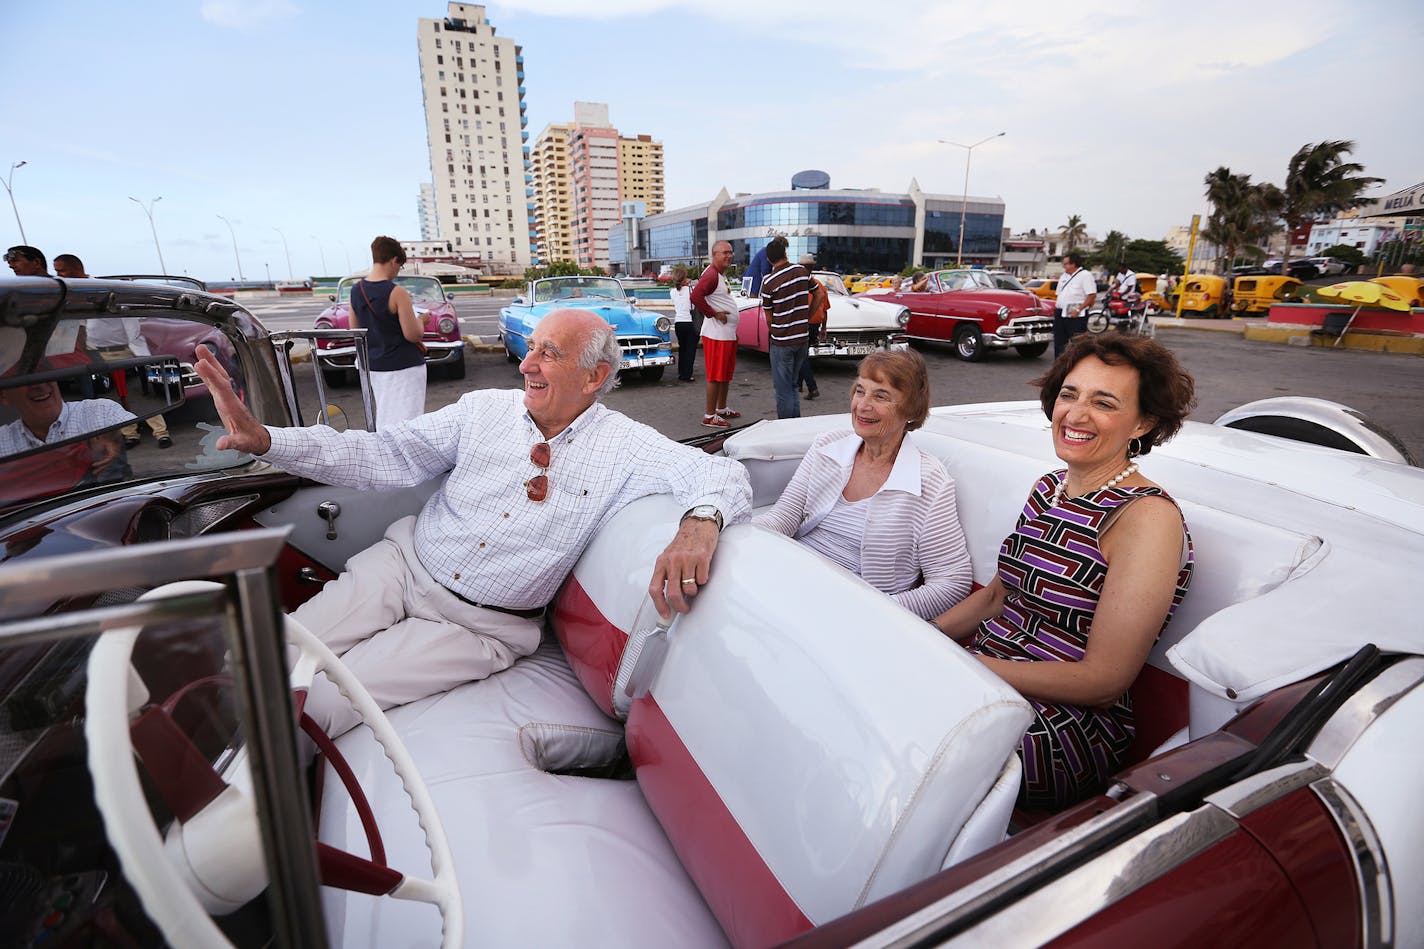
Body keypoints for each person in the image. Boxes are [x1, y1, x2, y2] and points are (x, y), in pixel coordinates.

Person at [192, 308, 752, 735]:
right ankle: (198, 742)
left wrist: (699, 525)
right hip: (401, 568)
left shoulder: (628, 446)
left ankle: (241, 813)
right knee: (261, 652)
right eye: (530, 348)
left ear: (594, 375)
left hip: (477, 627)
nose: (526, 365)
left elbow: (722, 477)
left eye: (548, 354)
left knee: (321, 701)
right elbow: (383, 454)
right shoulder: (482, 410)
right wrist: (268, 440)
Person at [931, 332, 1196, 810]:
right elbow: (996, 597)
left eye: (1104, 402)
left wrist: (966, 667)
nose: (1075, 414)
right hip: (985, 678)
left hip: (1062, 726)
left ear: (1143, 423)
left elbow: (1104, 681)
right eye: (1069, 394)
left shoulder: (1147, 518)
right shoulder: (1049, 486)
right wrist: (923, 638)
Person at [754, 349, 972, 619]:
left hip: (851, 614)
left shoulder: (928, 481)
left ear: (912, 410)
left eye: (881, 396)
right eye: (860, 390)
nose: (862, 405)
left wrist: (872, 613)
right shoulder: (827, 445)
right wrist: (732, 538)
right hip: (792, 581)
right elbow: (782, 518)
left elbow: (952, 582)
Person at [57, 254, 173, 449]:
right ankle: (130, 434)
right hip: (98, 355)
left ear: (76, 269)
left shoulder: (104, 291)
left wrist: (139, 357)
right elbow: (82, 326)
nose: (58, 274)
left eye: (61, 270)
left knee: (141, 396)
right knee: (116, 398)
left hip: (123, 353)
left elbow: (130, 324)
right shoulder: (75, 295)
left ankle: (161, 433)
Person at [0, 364, 136, 500]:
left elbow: (132, 424)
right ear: (3, 396)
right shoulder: (3, 441)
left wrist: (114, 435)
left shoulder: (99, 411)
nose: (40, 384)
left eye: (45, 374)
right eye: (24, 380)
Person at [350, 236, 426, 430]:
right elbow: (413, 335)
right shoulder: (396, 292)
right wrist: (422, 320)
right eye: (399, 266)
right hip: (404, 366)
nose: (397, 272)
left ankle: (385, 457)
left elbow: (355, 331)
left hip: (375, 366)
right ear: (393, 260)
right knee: (409, 422)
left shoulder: (356, 290)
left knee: (385, 416)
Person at [759, 236, 812, 419]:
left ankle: (785, 429)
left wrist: (775, 332)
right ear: (785, 253)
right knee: (793, 386)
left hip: (782, 342)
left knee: (783, 389)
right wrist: (808, 316)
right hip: (802, 339)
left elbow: (768, 316)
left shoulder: (768, 282)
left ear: (769, 259)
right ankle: (795, 425)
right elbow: (818, 293)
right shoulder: (801, 271)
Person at [691, 240, 740, 428]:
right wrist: (714, 314)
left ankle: (721, 408)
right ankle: (709, 415)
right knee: (715, 375)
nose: (729, 255)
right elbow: (695, 296)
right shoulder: (711, 274)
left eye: (731, 252)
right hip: (717, 335)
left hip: (726, 334)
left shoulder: (718, 274)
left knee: (725, 375)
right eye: (724, 252)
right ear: (714, 254)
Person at [1053, 252, 1097, 357]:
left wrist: (1078, 310)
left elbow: (1091, 295)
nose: (1064, 266)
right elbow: (1059, 294)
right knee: (1059, 343)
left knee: (1078, 344)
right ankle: (1059, 368)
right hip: (1060, 313)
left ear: (1073, 264)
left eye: (1065, 264)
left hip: (1075, 315)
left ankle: (1077, 367)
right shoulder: (1064, 276)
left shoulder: (1085, 275)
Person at [798, 254, 824, 401]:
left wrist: (807, 316)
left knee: (801, 357)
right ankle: (798, 385)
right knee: (803, 354)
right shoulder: (818, 283)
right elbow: (825, 307)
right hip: (816, 323)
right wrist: (823, 327)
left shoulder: (802, 283)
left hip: (805, 322)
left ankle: (812, 387)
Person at [669, 265, 699, 383]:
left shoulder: (672, 292)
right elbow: (699, 284)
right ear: (685, 278)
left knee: (683, 349)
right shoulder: (691, 290)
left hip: (678, 323)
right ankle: (687, 374)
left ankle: (682, 372)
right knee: (690, 349)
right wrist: (691, 282)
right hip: (690, 322)